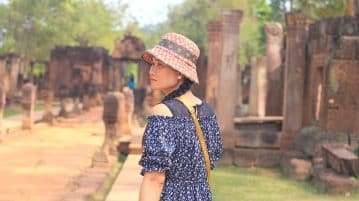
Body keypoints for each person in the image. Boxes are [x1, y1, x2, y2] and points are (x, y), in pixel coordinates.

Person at [138, 32, 223, 201]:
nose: (152, 71)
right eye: (152, 64)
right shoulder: (207, 111)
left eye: (160, 65)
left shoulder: (163, 113)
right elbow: (213, 156)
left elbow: (155, 179)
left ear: (180, 73)